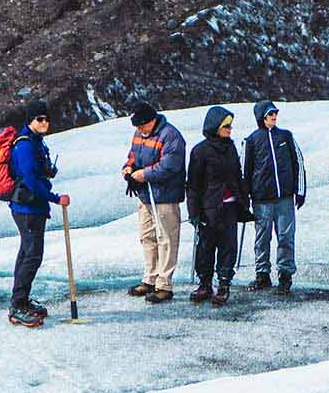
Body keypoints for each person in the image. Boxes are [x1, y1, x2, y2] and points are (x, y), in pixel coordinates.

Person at [7, 99, 70, 327]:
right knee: (32, 255)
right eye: (39, 119)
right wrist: (55, 198)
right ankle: (18, 305)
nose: (44, 122)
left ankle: (20, 300)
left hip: (30, 207)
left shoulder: (35, 142)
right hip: (28, 207)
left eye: (46, 118)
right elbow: (31, 180)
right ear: (30, 120)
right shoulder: (25, 145)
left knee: (27, 252)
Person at [186, 106, 253, 306]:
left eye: (231, 125)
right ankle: (205, 284)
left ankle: (224, 283)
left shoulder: (231, 148)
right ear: (215, 126)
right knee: (205, 247)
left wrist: (244, 198)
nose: (230, 129)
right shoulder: (200, 151)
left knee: (228, 246)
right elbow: (194, 185)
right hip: (209, 207)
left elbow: (238, 175)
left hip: (230, 207)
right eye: (226, 126)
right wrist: (194, 212)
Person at [121, 102, 187, 303]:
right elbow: (133, 155)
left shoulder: (171, 136)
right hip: (145, 196)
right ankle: (150, 279)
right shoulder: (140, 134)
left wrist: (144, 174)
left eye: (142, 125)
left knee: (166, 238)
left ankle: (164, 284)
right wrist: (128, 168)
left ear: (152, 120)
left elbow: (170, 166)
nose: (139, 130)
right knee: (147, 237)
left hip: (164, 196)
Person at [242, 100, 307, 294]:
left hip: (284, 197)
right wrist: (245, 197)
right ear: (261, 117)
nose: (274, 116)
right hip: (262, 199)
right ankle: (262, 274)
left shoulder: (286, 136)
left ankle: (285, 274)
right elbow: (245, 171)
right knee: (262, 238)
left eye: (275, 113)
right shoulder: (252, 140)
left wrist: (300, 190)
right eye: (270, 114)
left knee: (286, 236)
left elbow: (298, 162)